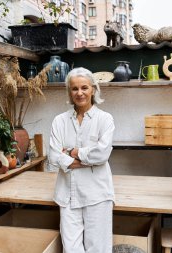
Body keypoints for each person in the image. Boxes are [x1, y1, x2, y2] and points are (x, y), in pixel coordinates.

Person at [48, 67, 115, 253]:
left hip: (97, 195)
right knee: (71, 249)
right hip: (67, 195)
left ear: (93, 89)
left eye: (84, 87)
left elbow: (102, 155)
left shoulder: (105, 119)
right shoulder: (59, 121)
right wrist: (89, 159)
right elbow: (54, 156)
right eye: (74, 88)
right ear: (69, 92)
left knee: (98, 249)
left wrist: (71, 152)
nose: (80, 93)